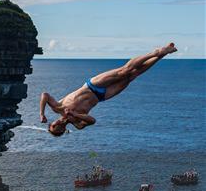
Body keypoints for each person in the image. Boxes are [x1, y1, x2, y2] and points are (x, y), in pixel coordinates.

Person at [39, 43, 178, 136]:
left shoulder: (58, 108)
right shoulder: (77, 124)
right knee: (132, 76)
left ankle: (155, 52)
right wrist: (75, 115)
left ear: (53, 122)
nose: (58, 125)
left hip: (93, 85)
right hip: (102, 96)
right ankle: (162, 55)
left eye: (54, 125)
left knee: (124, 71)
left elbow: (45, 95)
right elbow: (92, 120)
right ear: (63, 130)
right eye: (59, 129)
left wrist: (42, 114)